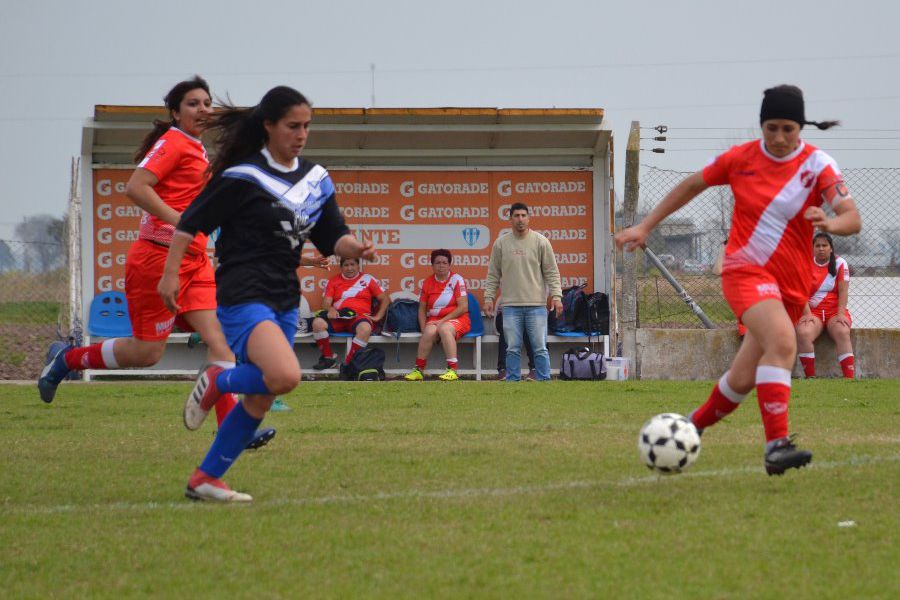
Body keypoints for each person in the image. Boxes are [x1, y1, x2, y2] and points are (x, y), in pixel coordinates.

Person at [615, 84, 862, 475]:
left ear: (800, 127)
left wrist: (830, 222)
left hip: (792, 286)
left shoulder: (819, 166)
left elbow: (852, 217)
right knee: (784, 342)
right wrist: (646, 225)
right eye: (771, 128)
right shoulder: (740, 159)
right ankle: (776, 446)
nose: (779, 138)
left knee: (744, 377)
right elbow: (692, 184)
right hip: (745, 272)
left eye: (788, 129)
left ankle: (687, 429)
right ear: (761, 125)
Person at [158, 85, 375, 502]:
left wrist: (356, 248)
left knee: (261, 395)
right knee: (285, 375)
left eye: (307, 126)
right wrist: (170, 276)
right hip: (242, 290)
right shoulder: (242, 175)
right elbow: (190, 223)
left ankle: (206, 478)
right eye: (293, 126)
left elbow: (335, 238)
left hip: (282, 293)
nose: (301, 134)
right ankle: (219, 379)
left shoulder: (315, 179)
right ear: (269, 126)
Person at [37, 76, 274, 449]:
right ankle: (68, 359)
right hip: (157, 259)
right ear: (176, 113)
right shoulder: (175, 142)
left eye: (206, 103)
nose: (203, 109)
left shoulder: (197, 149)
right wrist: (181, 222)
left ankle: (232, 431)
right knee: (146, 353)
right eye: (193, 104)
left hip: (193, 262)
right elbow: (136, 187)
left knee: (221, 342)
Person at [483, 202, 563, 381]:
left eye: (523, 216)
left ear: (529, 218)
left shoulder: (541, 242)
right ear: (510, 219)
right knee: (512, 348)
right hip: (510, 306)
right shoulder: (501, 244)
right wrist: (488, 297)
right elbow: (493, 274)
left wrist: (557, 297)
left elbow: (552, 272)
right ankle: (513, 382)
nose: (520, 219)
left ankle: (543, 380)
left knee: (540, 347)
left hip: (537, 306)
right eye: (516, 216)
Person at [311, 256, 388, 371]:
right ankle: (328, 358)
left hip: (359, 318)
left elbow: (385, 299)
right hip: (338, 317)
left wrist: (378, 317)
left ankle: (349, 364)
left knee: (365, 328)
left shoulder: (368, 279)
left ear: (358, 266)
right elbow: (326, 303)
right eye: (346, 265)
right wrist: (331, 309)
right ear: (341, 267)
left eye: (352, 264)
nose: (349, 268)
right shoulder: (333, 281)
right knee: (317, 323)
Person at [404, 249, 471, 381]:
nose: (441, 265)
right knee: (429, 332)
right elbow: (422, 309)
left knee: (444, 328)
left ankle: (452, 370)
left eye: (445, 263)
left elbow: (463, 307)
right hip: (435, 320)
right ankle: (418, 370)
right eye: (438, 262)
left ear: (449, 265)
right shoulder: (427, 282)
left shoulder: (457, 279)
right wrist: (423, 328)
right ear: (432, 265)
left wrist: (443, 321)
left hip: (458, 319)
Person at [796, 232, 855, 379]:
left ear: (831, 248)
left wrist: (841, 314)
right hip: (812, 311)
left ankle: (849, 379)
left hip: (835, 311)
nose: (821, 248)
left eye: (824, 245)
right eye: (817, 246)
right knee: (803, 333)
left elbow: (843, 292)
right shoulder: (804, 263)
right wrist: (807, 314)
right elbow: (800, 292)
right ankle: (811, 378)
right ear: (812, 248)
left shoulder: (841, 263)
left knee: (842, 331)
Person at [495, 304, 536, 381]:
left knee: (530, 329)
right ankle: (503, 369)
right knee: (507, 329)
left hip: (532, 311)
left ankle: (534, 368)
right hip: (507, 311)